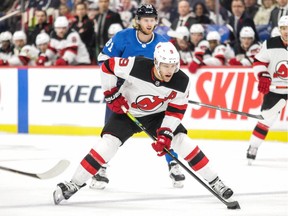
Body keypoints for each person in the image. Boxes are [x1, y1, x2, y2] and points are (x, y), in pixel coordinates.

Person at [53, 41, 234, 205]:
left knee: (182, 141)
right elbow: (107, 66)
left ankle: (216, 182)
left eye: (173, 65)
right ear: (156, 63)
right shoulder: (135, 65)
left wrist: (165, 133)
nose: (170, 70)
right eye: (165, 65)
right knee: (107, 145)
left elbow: (176, 111)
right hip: (128, 113)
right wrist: (111, 93)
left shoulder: (182, 81)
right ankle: (73, 184)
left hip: (158, 116)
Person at [95, 4, 186, 190]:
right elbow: (102, 60)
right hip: (122, 94)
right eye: (146, 20)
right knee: (110, 132)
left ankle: (173, 163)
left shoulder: (162, 43)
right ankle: (100, 167)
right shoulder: (122, 37)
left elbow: (172, 70)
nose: (149, 23)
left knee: (164, 130)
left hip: (150, 96)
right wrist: (114, 90)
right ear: (138, 21)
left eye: (152, 20)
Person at [246, 15, 288, 163]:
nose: (286, 31)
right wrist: (263, 76)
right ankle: (253, 146)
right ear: (279, 29)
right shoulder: (270, 44)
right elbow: (259, 61)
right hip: (276, 89)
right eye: (283, 28)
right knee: (266, 120)